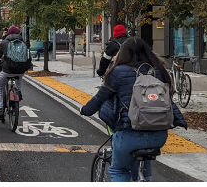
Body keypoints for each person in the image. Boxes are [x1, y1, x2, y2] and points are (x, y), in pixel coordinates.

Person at [80, 36, 187, 182]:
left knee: (119, 170)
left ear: (123, 53)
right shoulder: (160, 71)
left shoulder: (117, 72)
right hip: (158, 136)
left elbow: (100, 98)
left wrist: (85, 110)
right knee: (144, 170)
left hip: (129, 135)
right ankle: (145, 178)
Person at [0, 25, 32, 120]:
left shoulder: (5, 42)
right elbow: (28, 56)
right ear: (19, 33)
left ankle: (0, 109)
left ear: (8, 33)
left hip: (7, 70)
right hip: (20, 70)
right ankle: (18, 96)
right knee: (18, 82)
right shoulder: (24, 42)